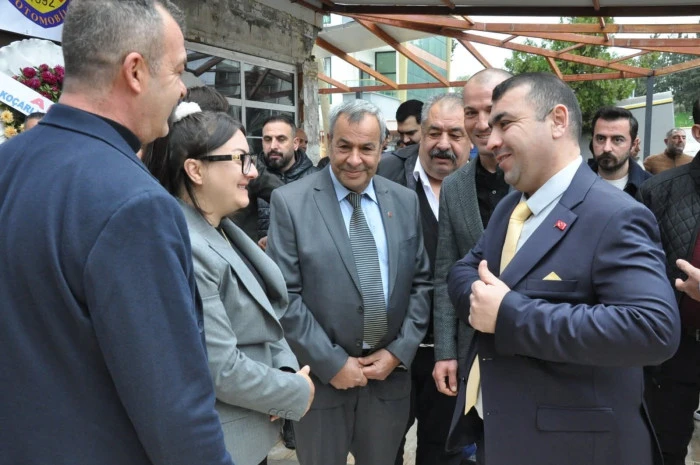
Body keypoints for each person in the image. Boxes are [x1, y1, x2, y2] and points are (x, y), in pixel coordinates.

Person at [0, 1, 234, 465]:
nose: (182, 89)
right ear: (135, 71)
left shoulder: (8, 163)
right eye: (178, 71)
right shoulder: (136, 204)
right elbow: (177, 411)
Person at [447, 72, 680, 465]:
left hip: (574, 448)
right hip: (502, 436)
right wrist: (484, 299)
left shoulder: (616, 215)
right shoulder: (511, 207)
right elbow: (462, 270)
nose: (491, 138)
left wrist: (509, 314)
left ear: (557, 120)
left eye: (505, 123)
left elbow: (653, 329)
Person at [146, 103, 315, 465]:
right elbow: (220, 367)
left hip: (250, 435)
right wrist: (293, 390)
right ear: (195, 170)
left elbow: (266, 318)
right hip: (222, 443)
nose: (252, 172)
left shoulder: (220, 229)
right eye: (240, 159)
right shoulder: (188, 246)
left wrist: (285, 369)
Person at [266, 99, 432, 465]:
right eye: (344, 146)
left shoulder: (404, 202)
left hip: (387, 382)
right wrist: (332, 363)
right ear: (327, 141)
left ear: (382, 147)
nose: (354, 159)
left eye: (366, 148)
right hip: (320, 385)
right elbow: (285, 297)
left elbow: (421, 284)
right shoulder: (290, 203)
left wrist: (399, 352)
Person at [378, 92, 471, 465]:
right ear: (420, 133)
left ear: (471, 138)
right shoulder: (383, 174)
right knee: (382, 450)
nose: (442, 144)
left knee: (444, 452)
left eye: (455, 134)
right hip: (391, 350)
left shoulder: (487, 183)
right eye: (434, 133)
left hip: (452, 354)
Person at [432, 69, 511, 451]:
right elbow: (445, 272)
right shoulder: (454, 185)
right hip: (470, 347)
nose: (481, 123)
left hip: (529, 345)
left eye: (491, 110)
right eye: (471, 112)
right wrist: (446, 351)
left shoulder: (537, 179)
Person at [637, 96, 700, 465]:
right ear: (698, 132)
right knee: (664, 449)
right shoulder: (659, 191)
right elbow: (637, 274)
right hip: (674, 351)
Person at [256, 115, 317, 250]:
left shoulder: (316, 179)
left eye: (281, 139)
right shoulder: (249, 178)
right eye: (268, 139)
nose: (273, 146)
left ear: (295, 144)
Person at [588, 106, 650, 197]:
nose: (607, 148)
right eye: (601, 138)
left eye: (617, 140)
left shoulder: (651, 189)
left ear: (633, 144)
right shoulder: (575, 181)